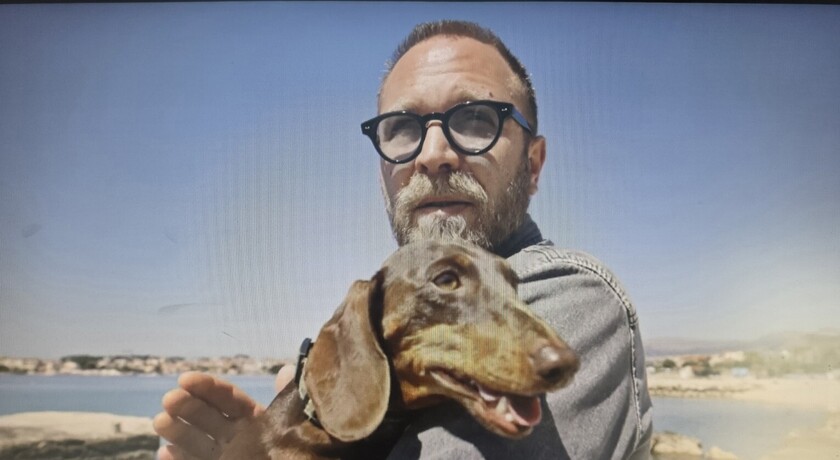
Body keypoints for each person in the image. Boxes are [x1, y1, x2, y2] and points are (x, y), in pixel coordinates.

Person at [154, 20, 653, 460]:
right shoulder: (389, 313)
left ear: (534, 163)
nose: (432, 154)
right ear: (382, 172)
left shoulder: (572, 295)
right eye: (402, 129)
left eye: (476, 119)